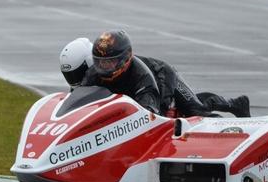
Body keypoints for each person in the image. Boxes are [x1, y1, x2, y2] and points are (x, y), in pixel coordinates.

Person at [72, 30, 250, 118]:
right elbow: (77, 102)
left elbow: (148, 116)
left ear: (124, 59)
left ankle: (233, 105)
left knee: (190, 112)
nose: (104, 67)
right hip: (136, 89)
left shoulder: (142, 76)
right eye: (100, 62)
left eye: (109, 62)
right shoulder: (92, 74)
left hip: (162, 75)